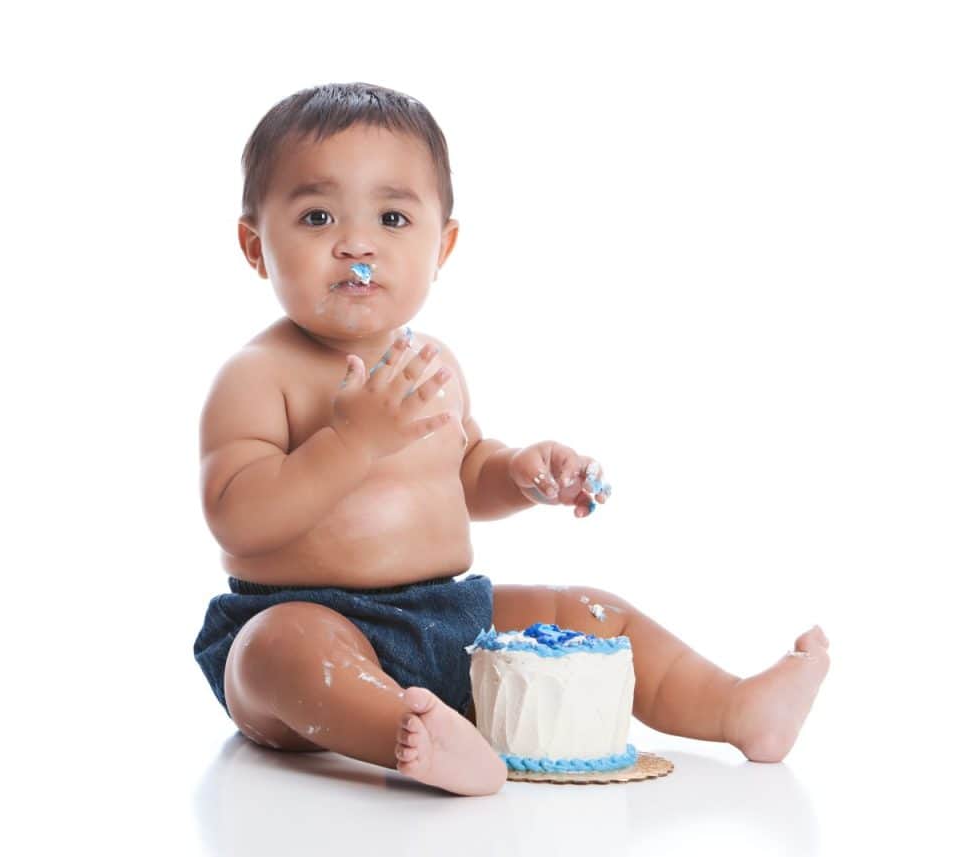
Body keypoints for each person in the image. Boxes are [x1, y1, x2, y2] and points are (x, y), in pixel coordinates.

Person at [194, 82, 830, 797]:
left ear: (444, 245)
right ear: (255, 246)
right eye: (317, 216)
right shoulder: (258, 376)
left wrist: (519, 473)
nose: (357, 243)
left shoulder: (430, 364)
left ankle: (736, 705)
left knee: (587, 610)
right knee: (276, 653)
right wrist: (349, 441)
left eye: (393, 216)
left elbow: (463, 474)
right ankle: (408, 736)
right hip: (305, 619)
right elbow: (238, 516)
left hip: (445, 615)